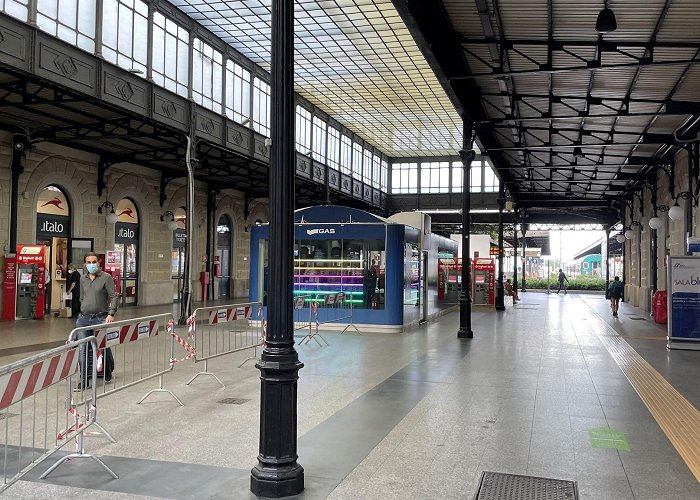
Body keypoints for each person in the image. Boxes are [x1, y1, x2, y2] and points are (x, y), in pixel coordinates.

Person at [75, 253, 118, 389]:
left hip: (100, 317)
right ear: (85, 264)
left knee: (103, 347)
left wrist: (111, 313)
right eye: (88, 262)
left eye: (94, 262)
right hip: (84, 318)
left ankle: (107, 369)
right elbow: (82, 297)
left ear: (98, 263)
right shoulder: (82, 279)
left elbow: (114, 296)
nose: (91, 264)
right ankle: (84, 379)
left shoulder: (106, 278)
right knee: (83, 349)